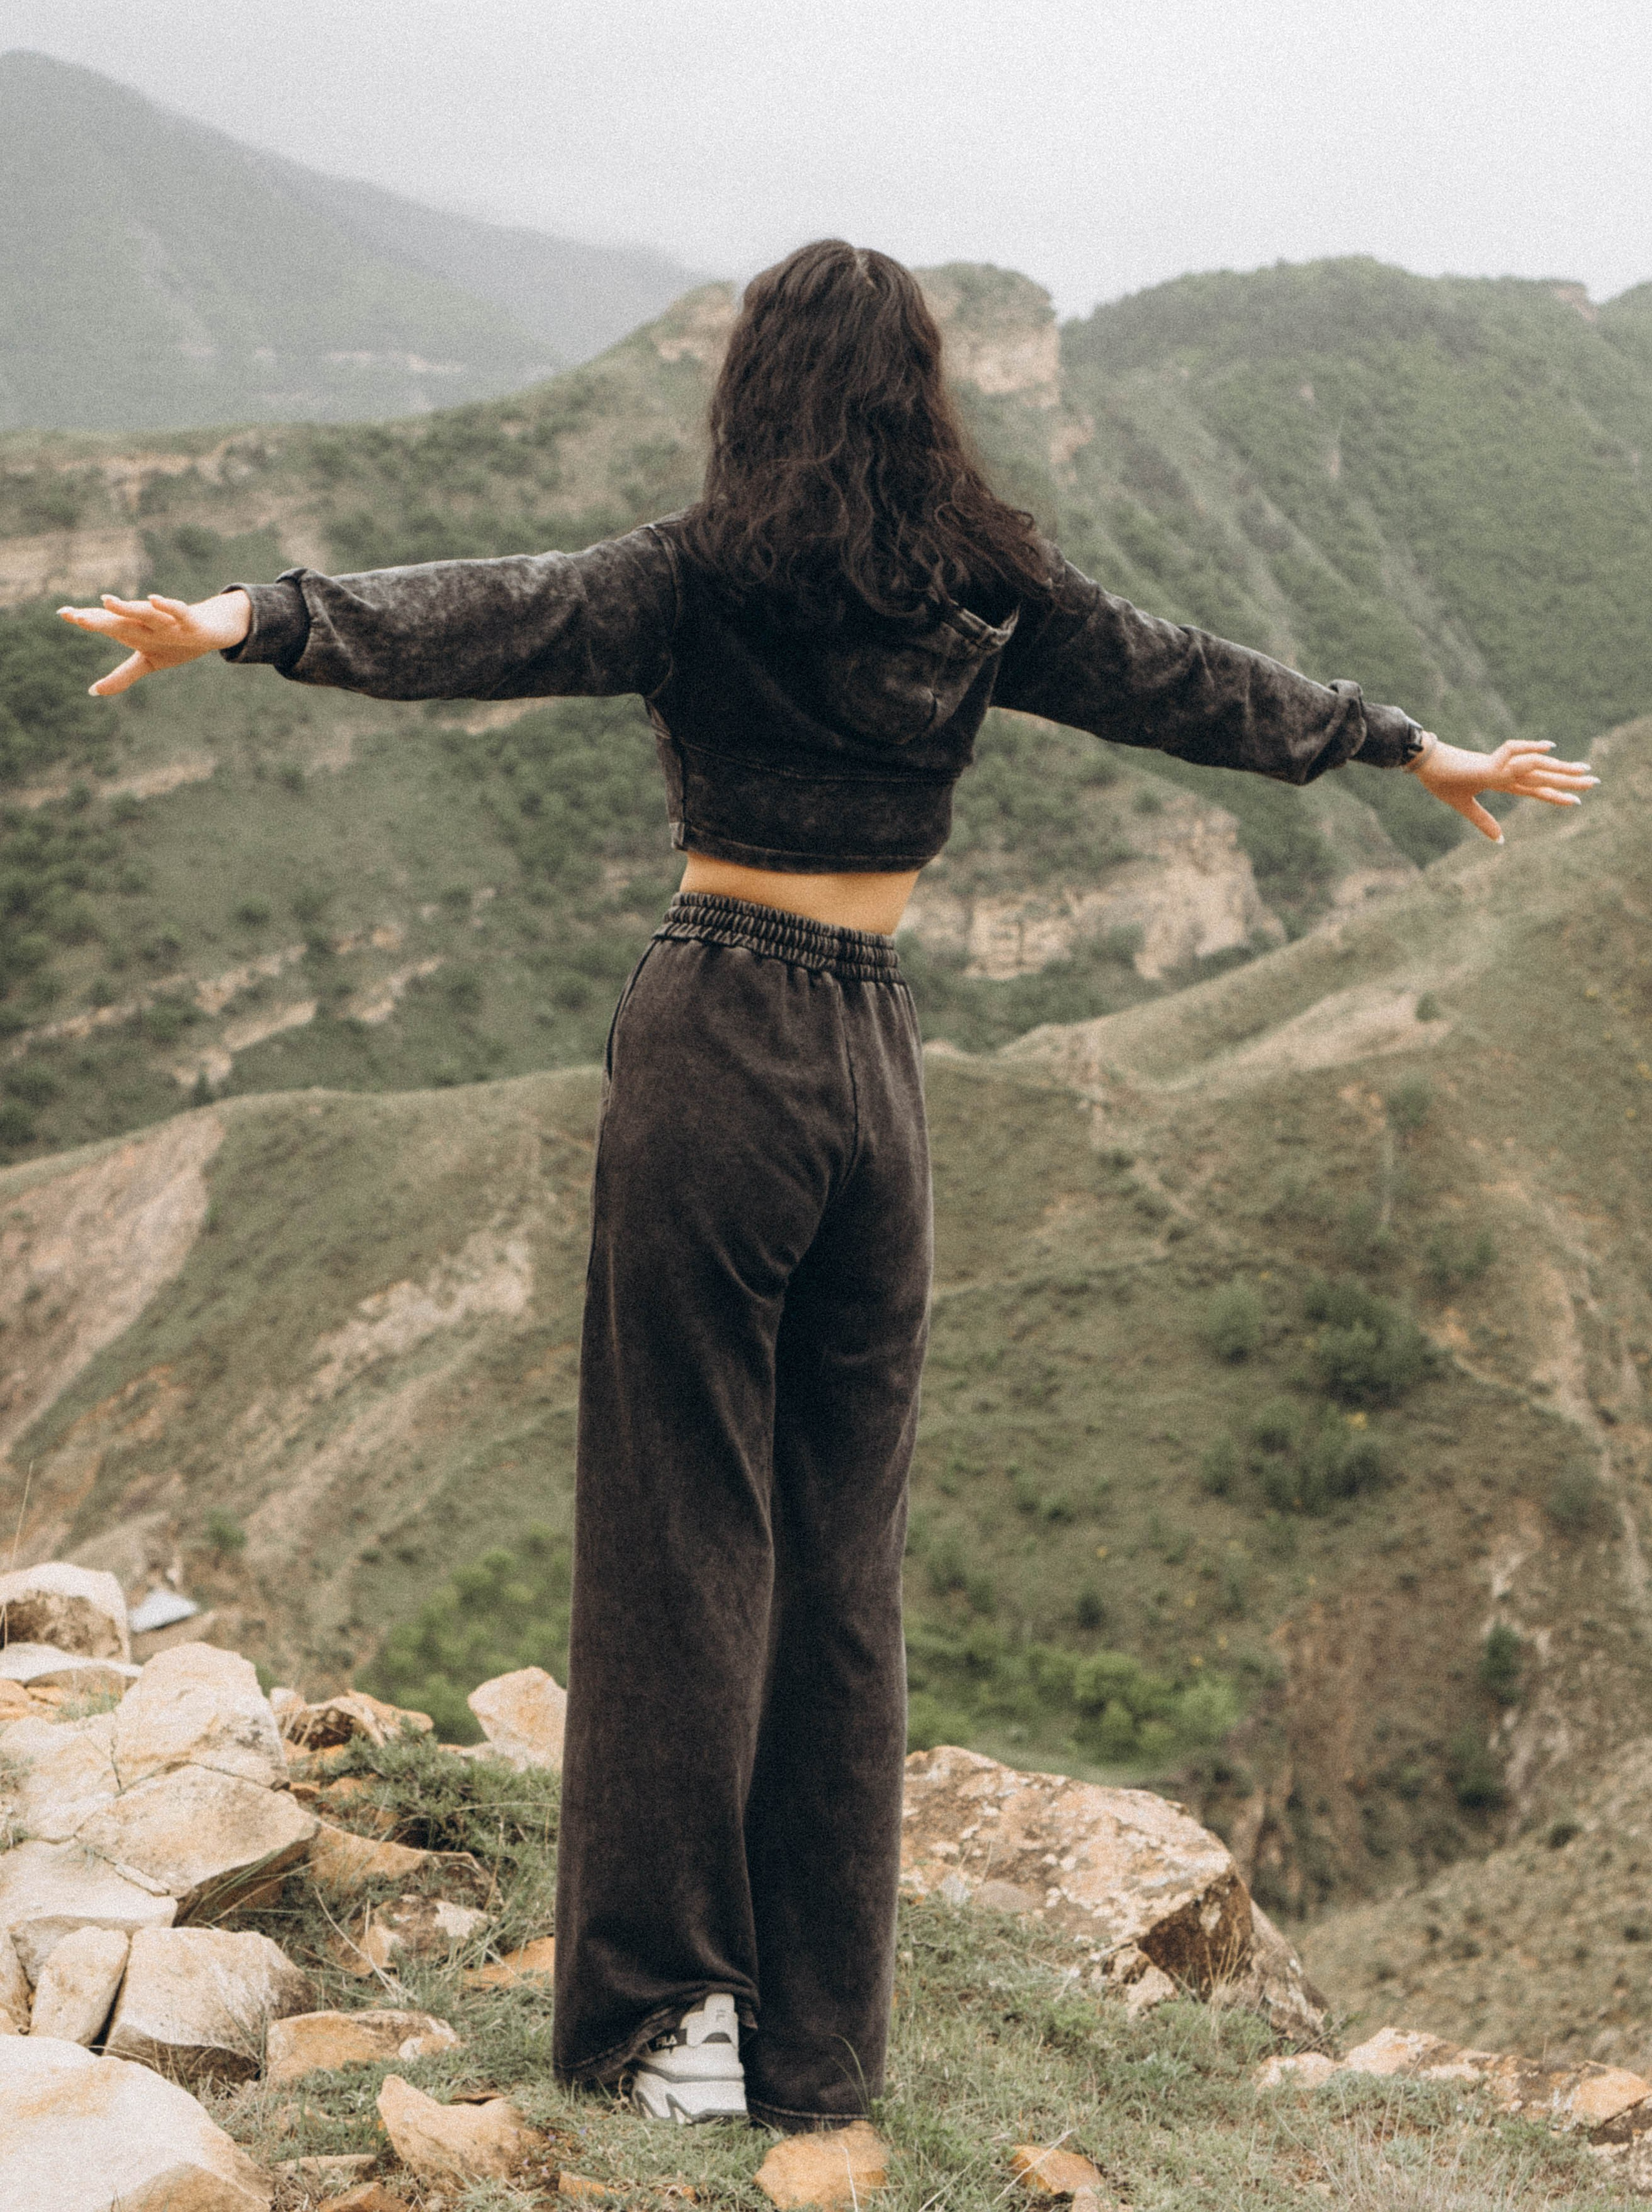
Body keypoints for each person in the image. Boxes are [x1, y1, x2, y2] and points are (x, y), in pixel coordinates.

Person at [59, 240, 1596, 2129]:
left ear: (755, 393)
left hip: (719, 1030)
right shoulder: (988, 584)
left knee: (679, 1531)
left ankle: (657, 2024)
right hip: (881, 1065)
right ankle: (821, 2050)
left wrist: (248, 619)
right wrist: (1397, 743)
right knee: (841, 1561)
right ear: (924, 397)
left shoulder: (700, 573)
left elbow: (496, 614)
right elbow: (1185, 681)